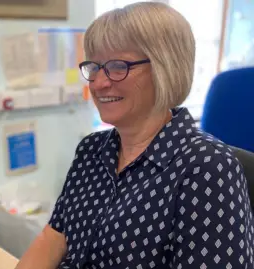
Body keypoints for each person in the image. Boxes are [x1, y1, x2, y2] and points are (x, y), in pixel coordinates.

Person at [15, 2, 254, 269]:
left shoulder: (207, 167)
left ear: (166, 67)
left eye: (118, 66)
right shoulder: (90, 150)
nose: (99, 82)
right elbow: (54, 238)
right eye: (94, 67)